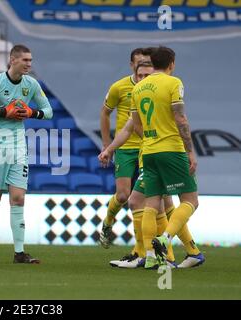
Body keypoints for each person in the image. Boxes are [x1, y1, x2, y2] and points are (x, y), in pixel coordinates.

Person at [99, 63, 204, 269]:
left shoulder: (151, 94)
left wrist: (150, 139)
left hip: (153, 154)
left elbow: (137, 126)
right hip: (148, 154)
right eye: (140, 75)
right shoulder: (137, 92)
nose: (143, 78)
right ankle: (183, 253)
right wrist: (109, 149)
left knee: (146, 202)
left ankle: (158, 256)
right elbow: (128, 129)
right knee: (148, 203)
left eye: (147, 74)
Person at [0, 44, 53, 263]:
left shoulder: (31, 85)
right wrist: (2, 112)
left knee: (18, 198)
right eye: (25, 60)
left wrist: (32, 112)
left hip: (18, 147)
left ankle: (19, 253)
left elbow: (49, 111)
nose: (29, 64)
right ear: (12, 60)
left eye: (31, 61)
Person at [131, 46, 200, 269]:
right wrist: (190, 150)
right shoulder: (174, 83)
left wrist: (151, 139)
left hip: (149, 151)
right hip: (171, 149)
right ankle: (165, 239)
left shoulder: (138, 88)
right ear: (171, 63)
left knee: (152, 203)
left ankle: (152, 256)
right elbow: (180, 118)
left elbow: (136, 124)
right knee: (190, 200)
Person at [99, 48, 152, 251]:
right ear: (132, 65)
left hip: (148, 148)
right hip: (126, 147)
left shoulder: (154, 88)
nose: (142, 69)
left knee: (146, 200)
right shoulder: (119, 87)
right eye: (139, 64)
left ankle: (143, 248)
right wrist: (107, 145)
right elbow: (104, 113)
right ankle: (108, 222)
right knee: (123, 196)